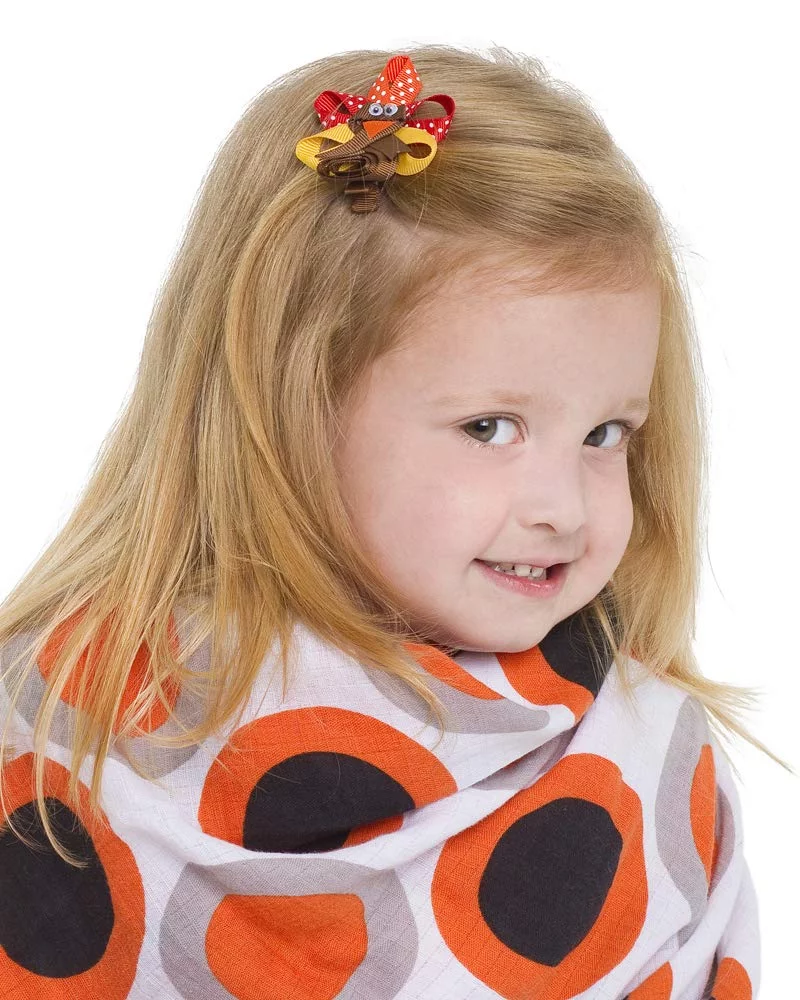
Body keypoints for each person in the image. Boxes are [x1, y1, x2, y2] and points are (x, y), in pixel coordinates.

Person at [0, 44, 784, 1000]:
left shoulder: (646, 754)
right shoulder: (65, 731)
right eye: (489, 428)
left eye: (605, 434)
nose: (563, 508)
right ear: (290, 404)